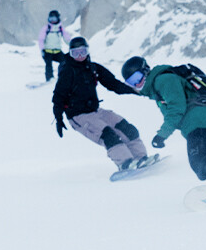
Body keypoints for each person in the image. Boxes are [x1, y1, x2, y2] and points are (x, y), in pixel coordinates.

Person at [52, 37, 150, 171]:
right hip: (79, 116)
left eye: (83, 52)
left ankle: (141, 158)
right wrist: (58, 118)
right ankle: (125, 163)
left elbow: (113, 84)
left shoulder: (92, 68)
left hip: (96, 111)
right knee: (108, 134)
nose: (80, 56)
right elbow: (58, 96)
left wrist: (136, 91)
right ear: (70, 53)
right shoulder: (68, 72)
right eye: (76, 53)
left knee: (126, 128)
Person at [38, 10, 73, 82]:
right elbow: (41, 39)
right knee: (48, 65)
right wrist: (42, 50)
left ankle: (63, 76)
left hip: (57, 51)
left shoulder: (60, 28)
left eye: (54, 19)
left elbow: (66, 37)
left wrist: (72, 44)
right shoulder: (46, 28)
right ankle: (49, 79)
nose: (53, 21)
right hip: (47, 51)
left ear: (58, 18)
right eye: (51, 19)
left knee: (64, 62)